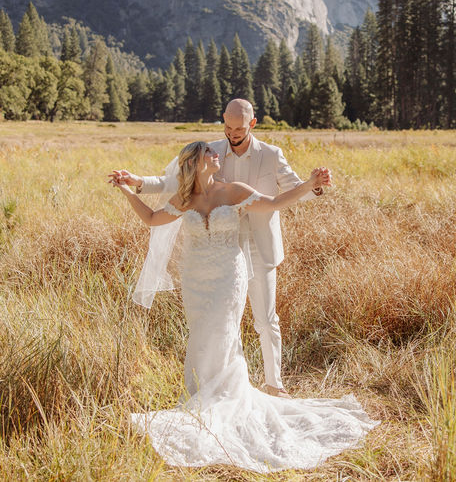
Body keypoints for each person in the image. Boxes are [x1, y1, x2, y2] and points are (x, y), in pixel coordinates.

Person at [110, 140, 376, 472]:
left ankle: (222, 399)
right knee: (200, 336)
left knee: (222, 331)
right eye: (209, 153)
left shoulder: (233, 191)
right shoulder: (184, 199)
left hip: (227, 275)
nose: (216, 155)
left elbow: (276, 202)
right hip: (194, 277)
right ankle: (198, 398)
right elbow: (151, 218)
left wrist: (310, 185)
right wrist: (126, 189)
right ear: (195, 163)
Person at [109, 99, 325, 397]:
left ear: (252, 123)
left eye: (238, 128)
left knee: (265, 319)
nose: (232, 133)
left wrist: (313, 185)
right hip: (208, 260)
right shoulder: (210, 151)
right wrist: (136, 183)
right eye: (228, 126)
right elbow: (175, 182)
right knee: (211, 327)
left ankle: (274, 385)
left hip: (255, 248)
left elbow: (288, 192)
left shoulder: (271, 155)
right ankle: (206, 391)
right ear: (224, 121)